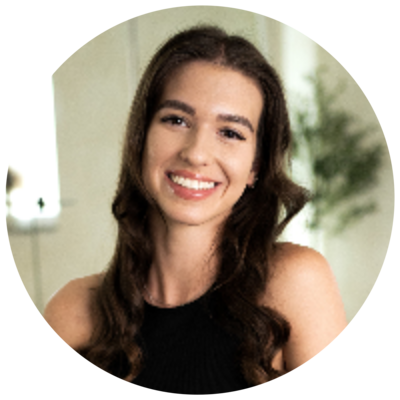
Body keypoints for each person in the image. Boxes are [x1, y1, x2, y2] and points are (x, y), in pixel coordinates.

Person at [42, 26, 358, 400]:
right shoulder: (72, 313)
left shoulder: (295, 281)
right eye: (176, 120)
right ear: (141, 137)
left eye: (231, 133)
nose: (196, 153)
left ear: (255, 167)